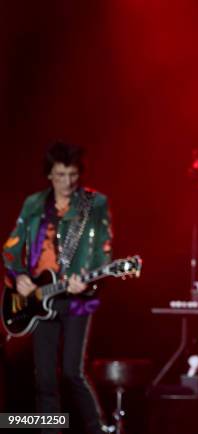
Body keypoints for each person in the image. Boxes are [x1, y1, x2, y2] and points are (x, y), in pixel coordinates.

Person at [3, 141, 112, 434]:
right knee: (45, 380)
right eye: (61, 175)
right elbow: (11, 249)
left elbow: (104, 251)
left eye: (73, 175)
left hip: (76, 298)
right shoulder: (34, 204)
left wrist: (87, 281)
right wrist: (20, 276)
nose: (68, 182)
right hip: (39, 298)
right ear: (49, 175)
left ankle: (97, 428)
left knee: (72, 373)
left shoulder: (94, 203)